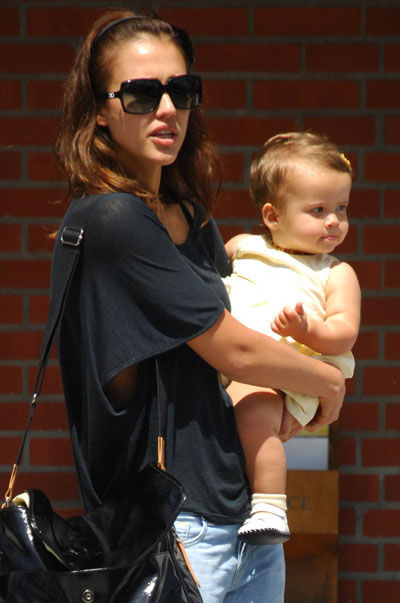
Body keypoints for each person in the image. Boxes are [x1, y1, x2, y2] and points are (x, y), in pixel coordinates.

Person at [52, 10, 345, 603]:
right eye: (140, 94)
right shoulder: (111, 219)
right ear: (100, 111)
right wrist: (327, 382)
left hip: (245, 519)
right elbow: (233, 348)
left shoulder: (191, 215)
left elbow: (240, 349)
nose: (166, 109)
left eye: (181, 90)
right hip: (173, 527)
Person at [223, 132, 361, 545]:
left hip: (290, 377)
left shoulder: (334, 273)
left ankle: (270, 506)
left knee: (254, 413)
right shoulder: (243, 247)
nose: (334, 221)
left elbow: (343, 333)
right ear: (272, 215)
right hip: (232, 363)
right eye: (318, 210)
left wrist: (306, 330)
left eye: (341, 208)